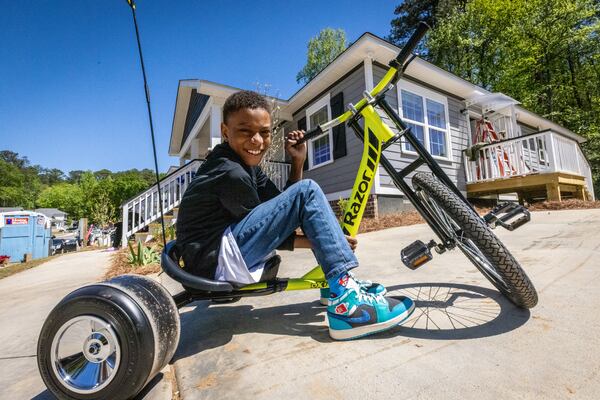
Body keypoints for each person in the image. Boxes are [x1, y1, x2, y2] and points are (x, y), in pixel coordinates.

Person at [176, 90, 414, 340]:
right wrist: (328, 241)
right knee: (308, 190)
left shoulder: (246, 166)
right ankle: (348, 306)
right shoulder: (229, 171)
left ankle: (335, 282)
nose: (257, 140)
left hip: (221, 251)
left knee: (304, 194)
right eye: (245, 131)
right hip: (213, 260)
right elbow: (278, 231)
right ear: (226, 132)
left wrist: (297, 162)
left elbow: (282, 213)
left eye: (265, 132)